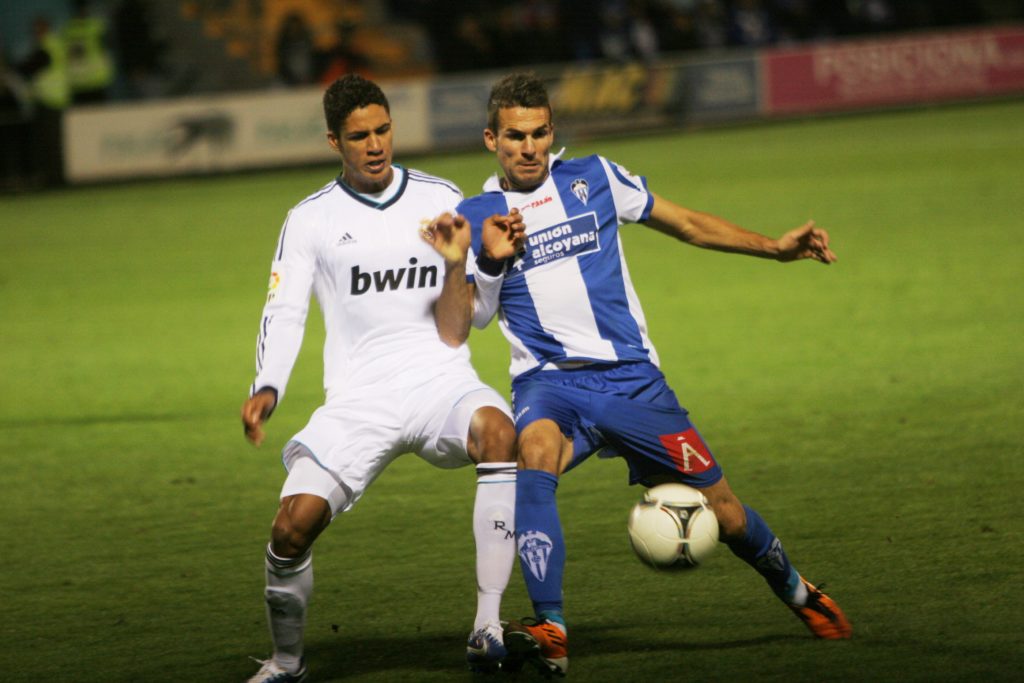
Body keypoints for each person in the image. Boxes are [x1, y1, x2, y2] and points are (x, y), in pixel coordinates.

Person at [438, 72, 851, 677]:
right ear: (490, 140)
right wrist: (486, 262)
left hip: (633, 382)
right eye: (515, 136)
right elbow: (467, 321)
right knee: (533, 453)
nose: (529, 148)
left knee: (727, 514)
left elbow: (687, 223)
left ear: (553, 132)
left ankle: (795, 589)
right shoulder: (474, 216)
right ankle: (551, 626)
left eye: (539, 133)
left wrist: (774, 248)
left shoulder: (596, 178)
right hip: (549, 383)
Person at [241, 73, 526, 683]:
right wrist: (267, 386)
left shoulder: (439, 197)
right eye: (358, 136)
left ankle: (487, 625)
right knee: (291, 528)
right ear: (333, 141)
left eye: (383, 130)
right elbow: (284, 308)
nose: (374, 145)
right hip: (359, 399)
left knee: (500, 432)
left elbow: (465, 324)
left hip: (439, 380)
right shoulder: (310, 219)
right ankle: (287, 664)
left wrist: (478, 265)